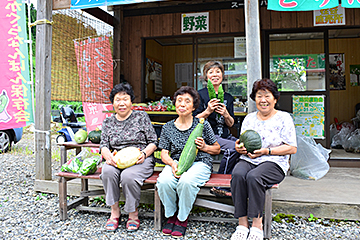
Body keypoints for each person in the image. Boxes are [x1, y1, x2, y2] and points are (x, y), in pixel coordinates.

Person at [230, 78, 297, 240]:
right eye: (259, 96)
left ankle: (257, 225)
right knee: (238, 174)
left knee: (254, 177)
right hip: (249, 159)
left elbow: (292, 148)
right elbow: (241, 142)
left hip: (274, 162)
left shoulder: (284, 118)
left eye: (267, 95)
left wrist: (266, 151)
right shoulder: (249, 119)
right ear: (255, 99)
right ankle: (242, 224)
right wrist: (240, 148)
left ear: (275, 98)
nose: (263, 100)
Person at [156, 86, 220, 238]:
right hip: (177, 162)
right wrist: (172, 164)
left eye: (187, 101)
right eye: (179, 101)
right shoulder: (168, 127)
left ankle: (182, 218)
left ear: (194, 106)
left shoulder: (202, 124)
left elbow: (217, 149)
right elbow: (164, 153)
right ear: (175, 104)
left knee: (186, 181)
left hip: (200, 163)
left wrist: (204, 147)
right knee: (164, 181)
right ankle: (171, 215)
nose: (182, 104)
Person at [99, 83, 157, 232]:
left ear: (131, 101)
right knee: (107, 172)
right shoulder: (108, 122)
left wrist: (144, 154)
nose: (122, 103)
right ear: (113, 103)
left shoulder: (141, 117)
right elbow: (103, 144)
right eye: (118, 100)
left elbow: (153, 142)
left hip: (140, 158)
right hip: (117, 157)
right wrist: (107, 155)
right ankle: (115, 211)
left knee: (128, 176)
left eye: (125, 99)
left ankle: (133, 214)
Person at [193, 60, 239, 197]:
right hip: (209, 136)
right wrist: (207, 111)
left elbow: (231, 124)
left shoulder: (228, 97)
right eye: (210, 72)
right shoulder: (199, 95)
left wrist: (226, 114)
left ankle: (233, 182)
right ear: (205, 76)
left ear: (222, 75)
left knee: (243, 147)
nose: (214, 74)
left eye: (217, 71)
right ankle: (219, 185)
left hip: (224, 135)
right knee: (233, 149)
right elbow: (193, 121)